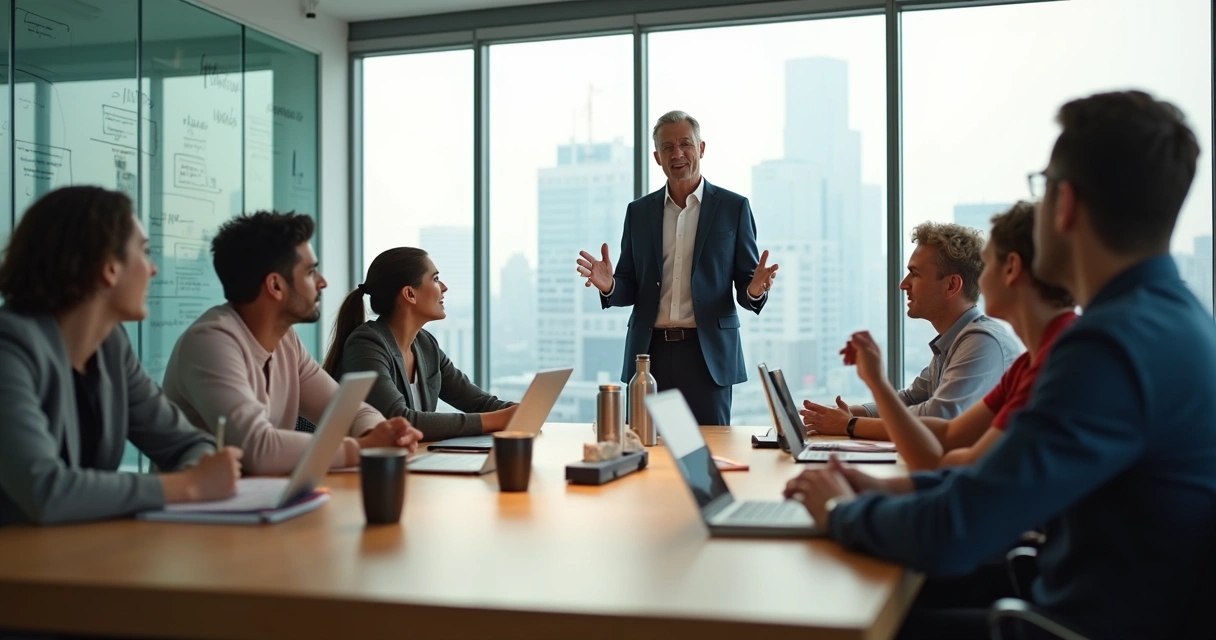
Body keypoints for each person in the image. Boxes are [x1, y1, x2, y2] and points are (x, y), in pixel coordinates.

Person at [785, 90, 1216, 639]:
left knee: (828, 611)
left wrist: (839, 512)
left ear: (1065, 204)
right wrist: (868, 489)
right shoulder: (1179, 323)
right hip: (1084, 603)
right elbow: (975, 475)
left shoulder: (1107, 348)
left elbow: (957, 529)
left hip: (1061, 624)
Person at [0, 187, 241, 526]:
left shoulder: (110, 345)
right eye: (144, 252)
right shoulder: (10, 346)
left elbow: (188, 443)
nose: (153, 269)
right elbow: (45, 491)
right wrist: (188, 486)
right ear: (109, 268)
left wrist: (197, 478)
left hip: (76, 555)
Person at [162, 211, 422, 476]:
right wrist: (362, 447)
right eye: (310, 272)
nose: (322, 282)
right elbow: (259, 450)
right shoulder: (211, 343)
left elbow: (348, 410)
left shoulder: (285, 340)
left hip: (261, 504)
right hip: (196, 513)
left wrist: (378, 432)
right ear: (275, 285)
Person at [576, 110, 779, 426]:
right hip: (649, 355)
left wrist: (754, 290)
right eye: (668, 147)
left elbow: (746, 284)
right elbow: (630, 283)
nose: (678, 153)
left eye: (685, 144)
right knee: (647, 451)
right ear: (657, 157)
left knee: (709, 451)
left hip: (707, 355)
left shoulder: (733, 208)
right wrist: (610, 286)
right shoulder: (639, 212)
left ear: (701, 148)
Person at [845, 202, 1077, 471]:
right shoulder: (1028, 365)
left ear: (1011, 268)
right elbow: (948, 441)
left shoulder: (1061, 361)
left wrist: (855, 420)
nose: (978, 279)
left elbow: (946, 441)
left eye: (987, 263)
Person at [801, 222, 1021, 440]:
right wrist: (834, 415)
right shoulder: (954, 341)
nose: (903, 284)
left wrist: (850, 425)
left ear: (952, 286)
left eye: (914, 274)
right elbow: (910, 399)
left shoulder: (982, 342)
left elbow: (940, 417)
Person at [322, 247, 516, 442]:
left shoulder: (426, 345)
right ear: (410, 294)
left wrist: (519, 410)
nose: (444, 287)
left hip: (413, 461)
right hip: (358, 469)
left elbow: (478, 402)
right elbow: (399, 420)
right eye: (435, 278)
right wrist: (496, 420)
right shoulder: (366, 344)